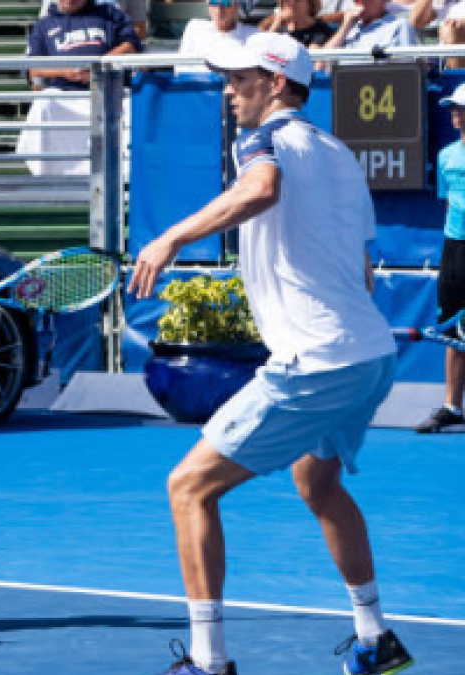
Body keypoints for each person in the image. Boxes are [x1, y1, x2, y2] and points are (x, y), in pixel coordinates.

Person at [128, 33, 414, 675]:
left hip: (316, 362)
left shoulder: (265, 140)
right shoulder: (339, 153)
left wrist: (170, 238)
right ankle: (376, 640)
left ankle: (208, 661)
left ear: (278, 85)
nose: (230, 91)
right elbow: (361, 269)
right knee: (318, 483)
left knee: (189, 487)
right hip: (369, 356)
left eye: (241, 79)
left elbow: (260, 190)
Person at [18, 0, 142, 176]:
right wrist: (65, 72)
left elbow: (131, 46)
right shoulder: (44, 24)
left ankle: (125, 176)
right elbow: (33, 68)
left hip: (109, 91)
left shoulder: (109, 13)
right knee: (43, 104)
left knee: (134, 106)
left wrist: (98, 65)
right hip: (65, 94)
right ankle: (48, 174)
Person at [414, 83, 465, 433]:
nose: (455, 114)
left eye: (460, 108)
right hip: (456, 247)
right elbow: (449, 203)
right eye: (453, 108)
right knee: (453, 328)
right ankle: (452, 406)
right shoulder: (447, 156)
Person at [175, 0, 259, 75]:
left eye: (226, 3)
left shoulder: (252, 35)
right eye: (213, 2)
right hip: (195, 88)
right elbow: (180, 68)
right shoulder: (194, 28)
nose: (219, 9)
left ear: (237, 5)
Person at [322, 0, 419, 51]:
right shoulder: (349, 30)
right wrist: (345, 27)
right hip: (346, 85)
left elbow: (407, 72)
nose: (360, 3)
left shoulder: (399, 26)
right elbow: (321, 65)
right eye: (356, 0)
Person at [410, 0, 465, 69]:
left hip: (454, 52)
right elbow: (416, 21)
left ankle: (456, 77)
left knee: (451, 30)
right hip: (442, 57)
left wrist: (455, 26)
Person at [266, 0, 338, 47]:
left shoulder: (322, 31)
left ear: (310, 4)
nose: (292, 3)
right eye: (287, 0)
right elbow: (262, 50)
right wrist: (276, 24)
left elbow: (312, 62)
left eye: (298, 0)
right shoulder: (276, 27)